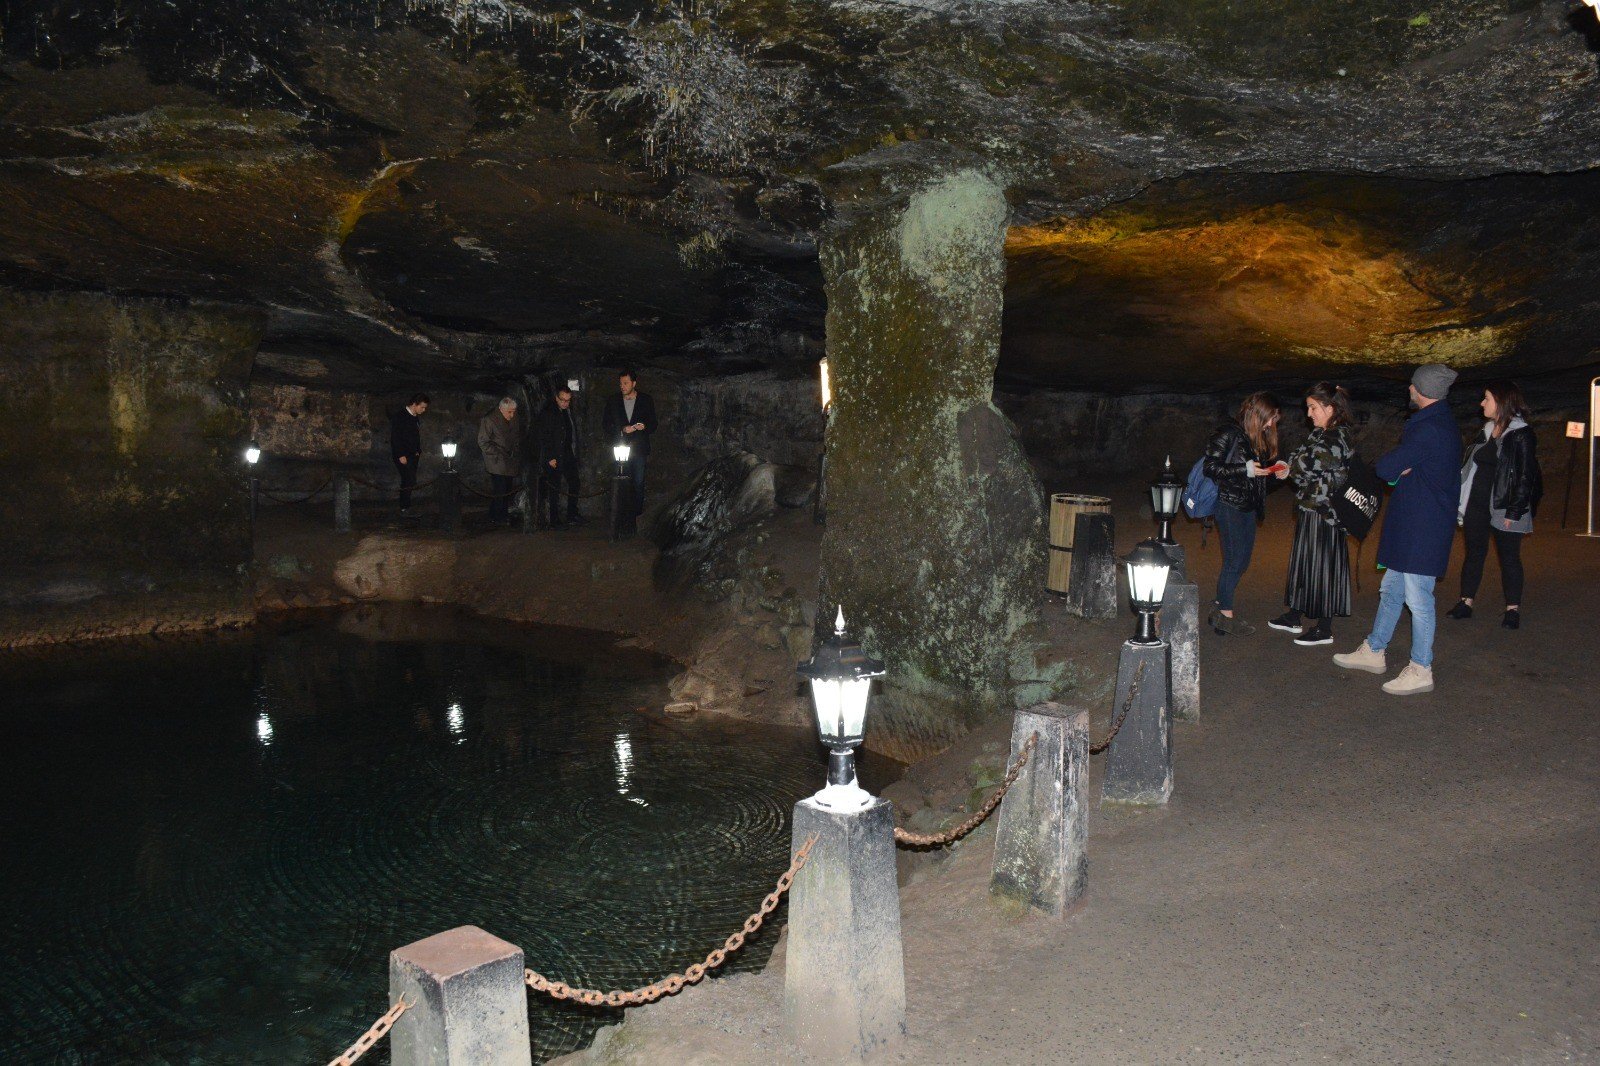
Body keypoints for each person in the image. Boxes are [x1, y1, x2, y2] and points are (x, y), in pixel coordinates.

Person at [1334, 364, 1463, 695]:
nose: (1408, 389)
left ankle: (1421, 667)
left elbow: (1387, 466)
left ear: (1423, 390)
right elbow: (1400, 469)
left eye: (1412, 385)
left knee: (1419, 599)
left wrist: (1399, 468)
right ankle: (1375, 649)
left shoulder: (1430, 429)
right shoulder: (1440, 423)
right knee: (1392, 590)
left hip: (1422, 528)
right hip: (1416, 524)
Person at [1445, 380, 1542, 629]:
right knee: (1474, 553)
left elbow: (1525, 475)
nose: (1481, 403)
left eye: (1486, 398)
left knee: (1509, 557)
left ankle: (1512, 609)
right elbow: (1470, 465)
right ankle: (1465, 602)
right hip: (1476, 503)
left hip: (1504, 505)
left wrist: (1515, 510)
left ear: (1500, 401)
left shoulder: (1521, 434)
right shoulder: (1487, 430)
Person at [1268, 383, 1355, 647]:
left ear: (1330, 408)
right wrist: (1287, 465)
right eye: (1309, 407)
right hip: (1311, 507)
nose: (1309, 413)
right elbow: (1298, 455)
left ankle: (1324, 628)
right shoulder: (1320, 433)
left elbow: (1309, 465)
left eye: (1314, 407)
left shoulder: (1337, 436)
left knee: (1323, 568)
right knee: (1305, 563)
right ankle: (1295, 615)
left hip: (1326, 513)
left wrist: (1289, 468)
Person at [1202, 392, 1282, 636]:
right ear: (1256, 414)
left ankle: (1220, 605)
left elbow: (1258, 480)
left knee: (1240, 560)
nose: (1271, 425)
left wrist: (1278, 472)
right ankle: (1224, 614)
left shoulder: (1255, 439)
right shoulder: (1229, 432)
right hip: (1229, 505)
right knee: (1235, 560)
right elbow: (1211, 467)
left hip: (1247, 506)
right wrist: (1244, 469)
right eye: (1269, 419)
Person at [602, 369, 657, 517]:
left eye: (626, 383)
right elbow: (606, 424)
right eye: (621, 383)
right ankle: (621, 513)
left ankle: (636, 515)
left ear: (634, 383)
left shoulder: (646, 400)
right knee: (620, 481)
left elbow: (653, 424)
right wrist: (621, 429)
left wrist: (644, 426)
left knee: (638, 482)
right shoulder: (613, 400)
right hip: (621, 448)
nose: (622, 386)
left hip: (639, 448)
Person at [535, 386, 584, 529]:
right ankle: (554, 520)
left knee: (575, 482)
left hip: (567, 453)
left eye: (568, 400)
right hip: (555, 455)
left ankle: (572, 514)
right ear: (556, 398)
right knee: (554, 488)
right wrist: (549, 457)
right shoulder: (548, 412)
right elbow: (543, 437)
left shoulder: (566, 411)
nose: (565, 403)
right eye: (562, 400)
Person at [478, 396, 521, 525]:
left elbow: (516, 435)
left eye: (514, 411)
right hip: (496, 460)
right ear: (501, 409)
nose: (512, 415)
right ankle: (498, 516)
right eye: (510, 412)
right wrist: (497, 453)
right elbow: (483, 441)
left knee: (507, 488)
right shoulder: (489, 420)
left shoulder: (513, 417)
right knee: (500, 488)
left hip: (510, 459)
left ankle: (498, 514)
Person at [389, 392, 429, 517]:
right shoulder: (400, 416)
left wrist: (417, 451)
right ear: (414, 404)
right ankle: (404, 507)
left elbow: (415, 435)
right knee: (408, 480)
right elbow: (395, 437)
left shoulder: (415, 417)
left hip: (413, 455)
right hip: (403, 455)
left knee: (410, 480)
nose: (424, 410)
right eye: (422, 407)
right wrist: (401, 454)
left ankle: (406, 506)